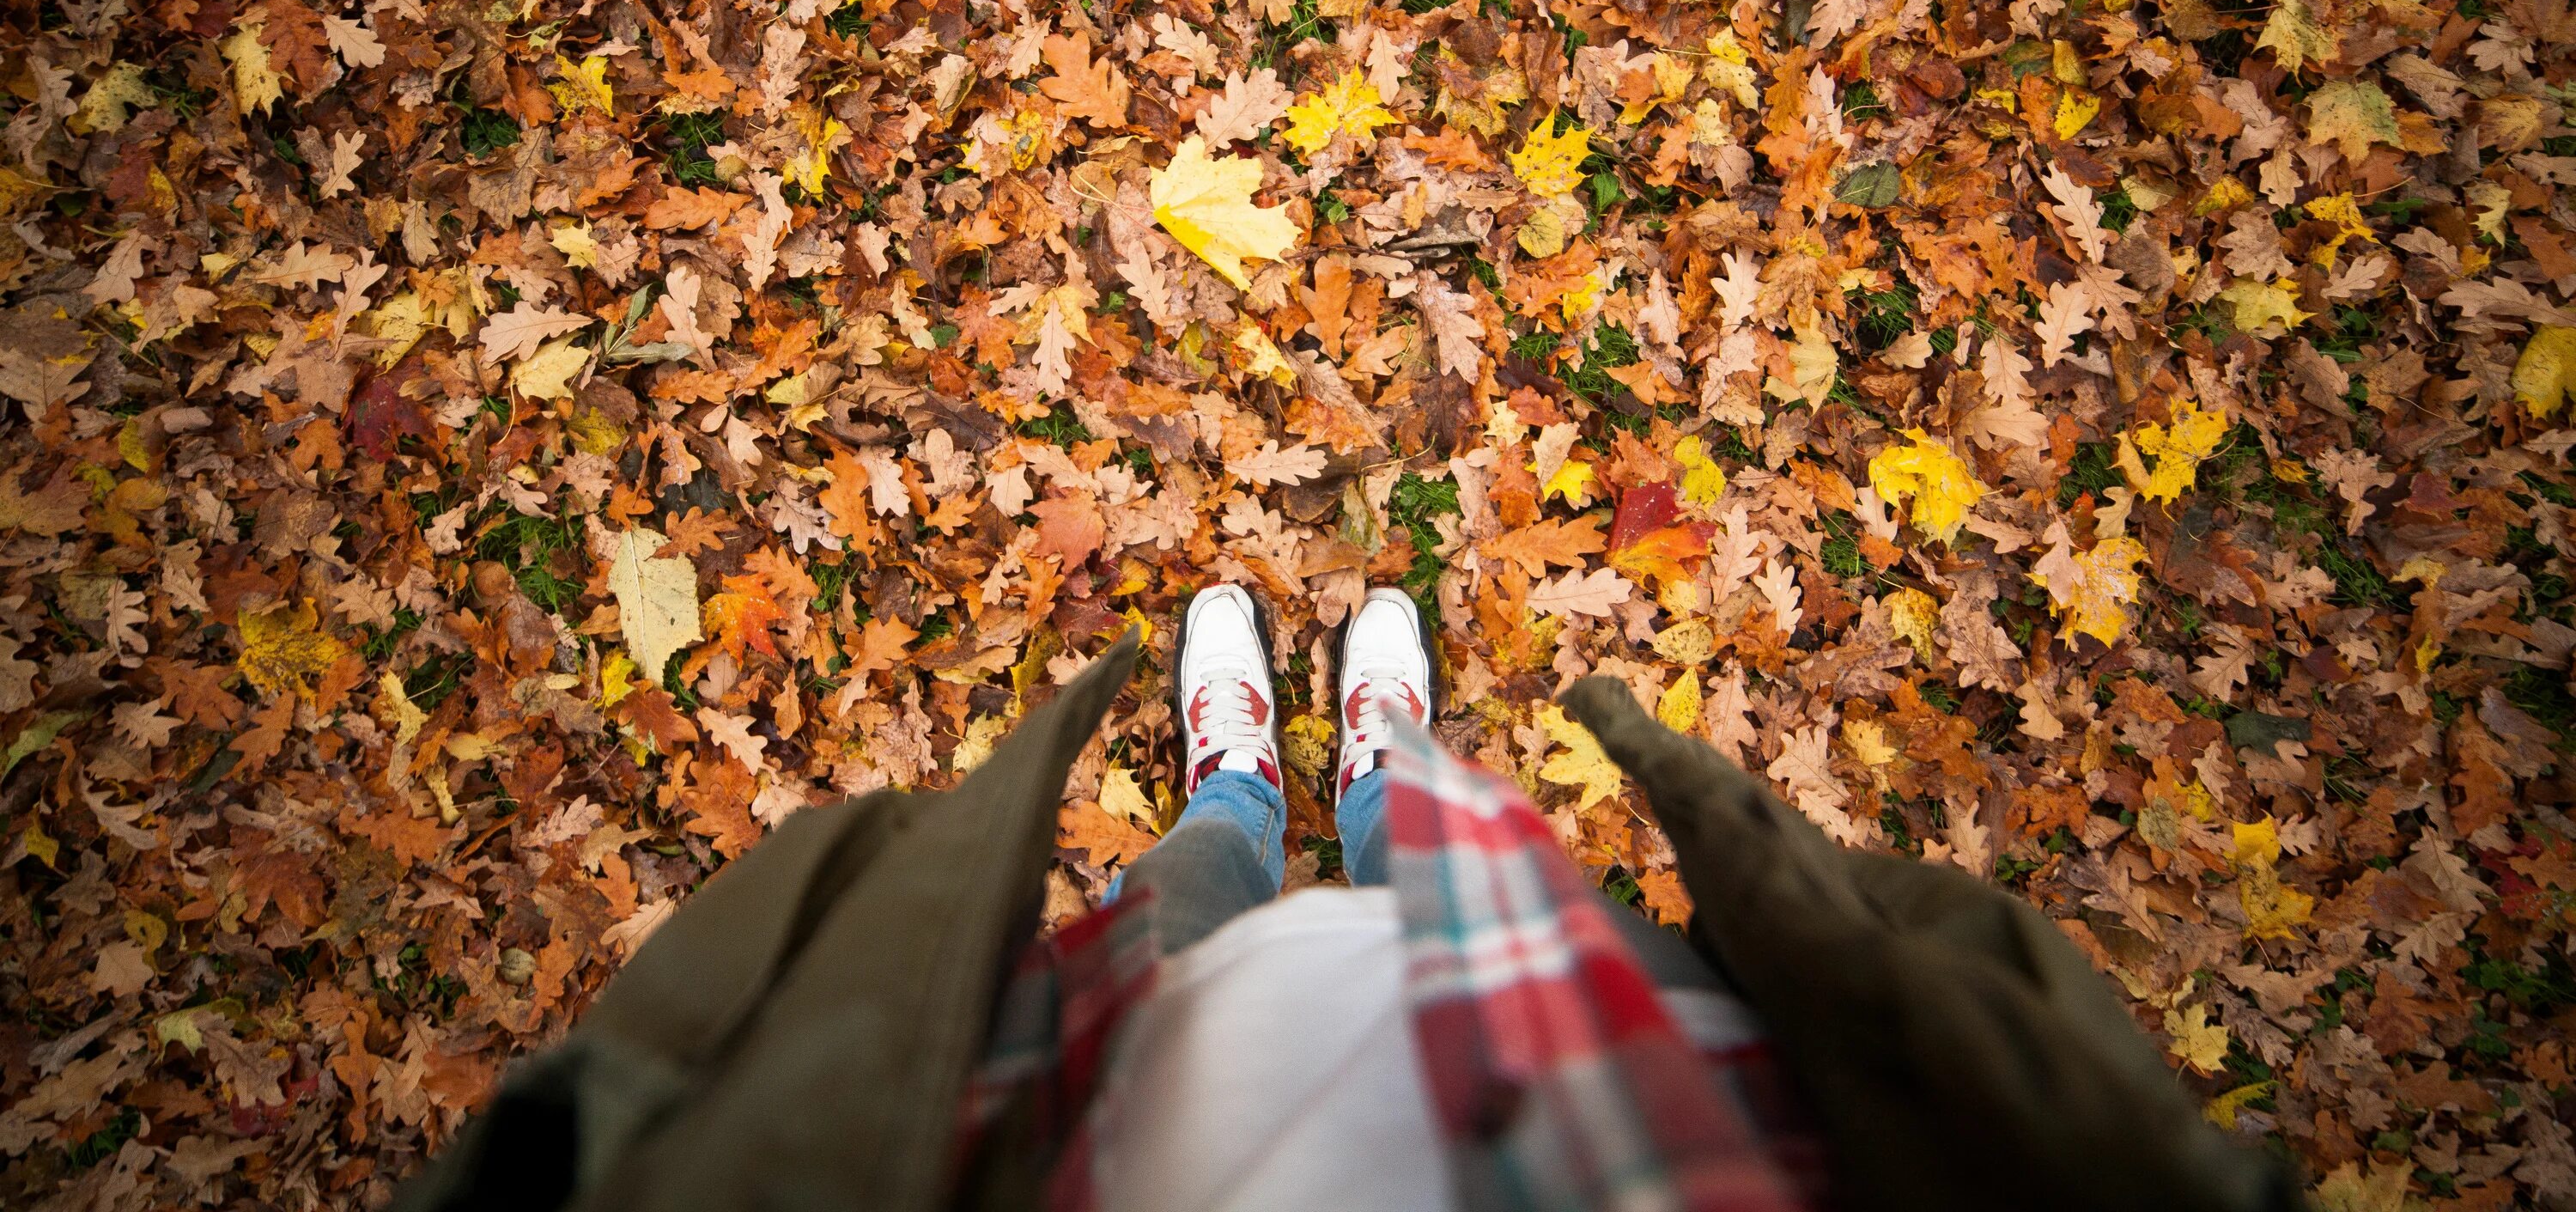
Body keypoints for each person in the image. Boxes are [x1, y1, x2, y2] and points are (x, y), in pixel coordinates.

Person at [398, 585, 2304, 1212]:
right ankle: (1375, 762)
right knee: (1430, 853)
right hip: (1653, 1075)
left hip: (1096, 1114)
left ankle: (1246, 780)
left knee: (1192, 898)